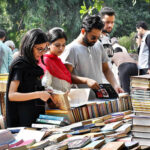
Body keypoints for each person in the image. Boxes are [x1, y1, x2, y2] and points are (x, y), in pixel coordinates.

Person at [60, 15, 123, 99]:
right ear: (83, 31)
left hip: (100, 99)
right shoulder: (71, 49)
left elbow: (106, 70)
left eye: (98, 37)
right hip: (82, 101)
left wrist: (115, 85)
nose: (96, 40)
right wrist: (86, 80)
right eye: (93, 37)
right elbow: (66, 75)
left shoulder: (98, 45)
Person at [6, 28, 53, 127]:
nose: (42, 52)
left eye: (45, 48)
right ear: (29, 46)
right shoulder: (20, 64)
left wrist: (44, 91)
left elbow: (29, 88)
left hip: (35, 115)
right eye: (39, 49)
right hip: (22, 119)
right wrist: (39, 94)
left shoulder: (32, 64)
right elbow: (12, 95)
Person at [39, 27, 100, 93]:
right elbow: (45, 87)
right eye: (57, 45)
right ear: (48, 44)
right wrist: (61, 94)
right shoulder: (46, 61)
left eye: (63, 45)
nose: (61, 48)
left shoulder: (58, 61)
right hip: (56, 101)